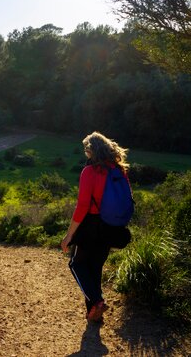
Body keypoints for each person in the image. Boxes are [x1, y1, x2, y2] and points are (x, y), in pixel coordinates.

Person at [60, 131, 131, 322]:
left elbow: (82, 206)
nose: (85, 152)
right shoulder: (119, 170)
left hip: (90, 225)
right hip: (111, 226)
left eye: (86, 149)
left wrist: (69, 235)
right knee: (94, 268)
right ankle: (94, 315)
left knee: (76, 265)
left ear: (91, 150)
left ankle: (97, 302)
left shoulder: (90, 172)